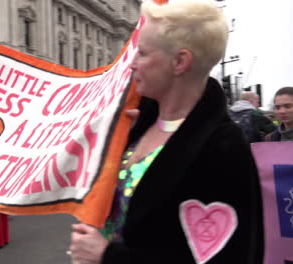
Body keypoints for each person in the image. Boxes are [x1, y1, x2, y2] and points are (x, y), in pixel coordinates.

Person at [69, 1, 264, 263]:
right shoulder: (138, 125)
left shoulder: (222, 148)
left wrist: (108, 255)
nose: (132, 65)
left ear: (179, 62)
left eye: (144, 54)